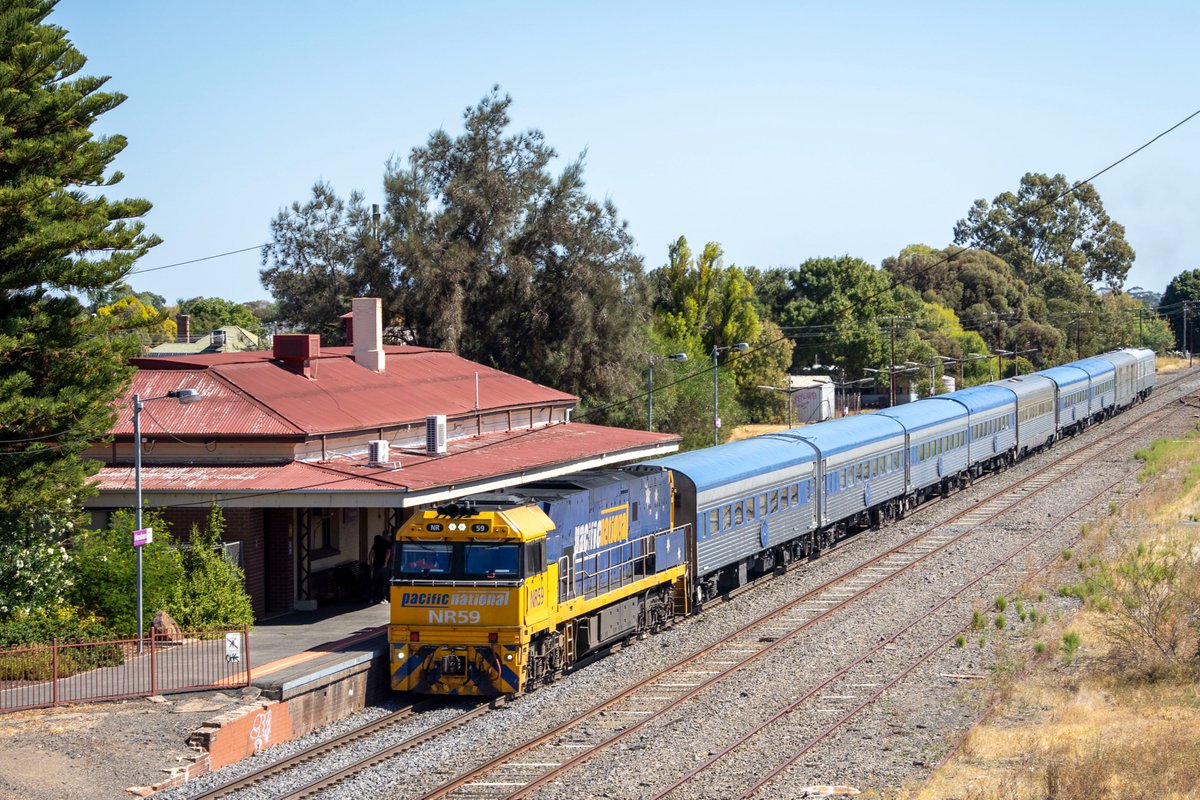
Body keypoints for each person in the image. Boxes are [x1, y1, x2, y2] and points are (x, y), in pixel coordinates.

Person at [370, 531, 392, 603]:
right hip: (384, 566)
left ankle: (372, 598)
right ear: (387, 536)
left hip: (376, 565)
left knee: (375, 582)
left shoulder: (376, 543)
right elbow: (388, 553)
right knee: (384, 582)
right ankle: (383, 598)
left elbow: (371, 554)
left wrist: (371, 563)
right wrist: (385, 563)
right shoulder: (388, 544)